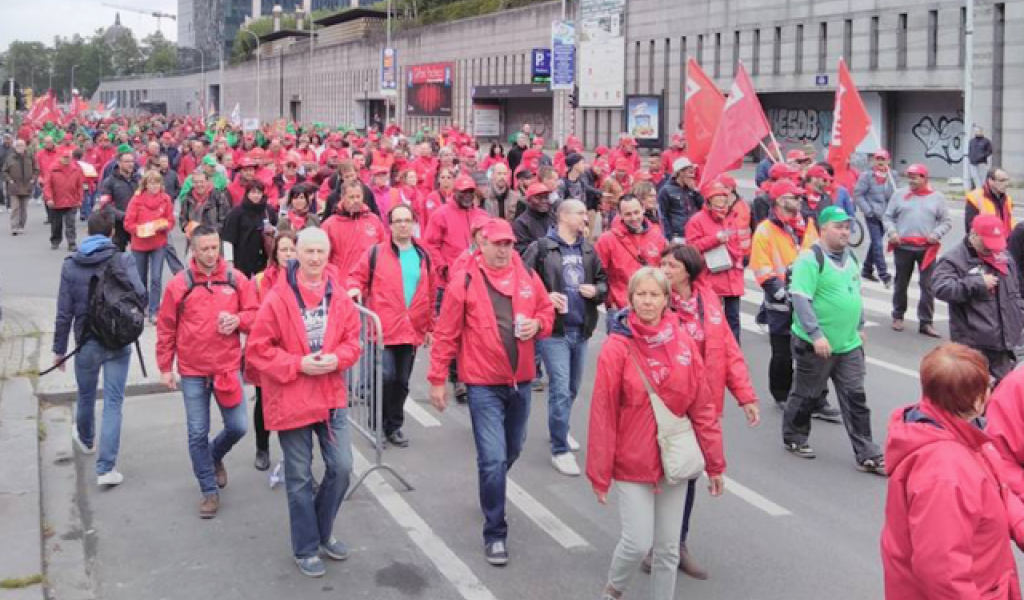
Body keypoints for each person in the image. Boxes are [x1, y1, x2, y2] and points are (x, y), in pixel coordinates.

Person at [588, 267, 725, 600]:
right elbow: (603, 412)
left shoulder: (684, 343)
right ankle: (613, 589)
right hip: (632, 460)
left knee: (667, 550)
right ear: (631, 298)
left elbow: (702, 406)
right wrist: (599, 473)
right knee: (637, 542)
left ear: (667, 300)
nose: (647, 301)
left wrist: (715, 464)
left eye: (654, 295)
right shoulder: (616, 348)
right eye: (641, 294)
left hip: (673, 461)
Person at [427, 219, 554, 566]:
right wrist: (437, 378)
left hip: (521, 380)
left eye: (508, 244)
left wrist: (539, 324)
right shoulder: (464, 280)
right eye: (496, 243)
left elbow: (546, 312)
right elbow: (446, 334)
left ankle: (490, 484)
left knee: (512, 449)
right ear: (481, 243)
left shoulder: (527, 275)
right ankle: (495, 532)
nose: (503, 250)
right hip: (482, 383)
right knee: (494, 458)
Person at [245, 227, 362, 578]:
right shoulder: (277, 299)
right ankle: (306, 546)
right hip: (292, 398)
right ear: (296, 253)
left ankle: (321, 531)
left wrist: (337, 359)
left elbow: (353, 342)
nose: (314, 259)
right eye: (308, 252)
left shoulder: (338, 296)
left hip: (329, 397)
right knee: (298, 477)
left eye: (320, 253)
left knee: (341, 468)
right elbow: (257, 351)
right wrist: (297, 364)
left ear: (328, 257)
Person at [649, 244, 758, 578]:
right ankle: (653, 541)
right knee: (658, 472)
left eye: (672, 265)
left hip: (701, 403)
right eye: (663, 263)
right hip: (662, 403)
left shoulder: (707, 301)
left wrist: (745, 396)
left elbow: (728, 350)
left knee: (687, 473)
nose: (665, 269)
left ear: (689, 271)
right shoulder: (653, 300)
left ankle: (676, 543)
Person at [882, 343, 1024, 599]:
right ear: (978, 400)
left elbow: (998, 493)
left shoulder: (959, 436)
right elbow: (943, 573)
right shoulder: (944, 472)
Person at [157, 225, 258, 518]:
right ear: (193, 249)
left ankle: (215, 456)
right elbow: (166, 328)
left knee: (238, 426)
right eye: (205, 249)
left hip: (227, 367)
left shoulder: (235, 279)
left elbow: (256, 315)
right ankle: (208, 491)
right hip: (192, 371)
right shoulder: (179, 284)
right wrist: (165, 367)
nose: (211, 254)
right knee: (197, 433)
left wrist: (238, 320)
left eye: (215, 247)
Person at [781, 206, 883, 470]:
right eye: (838, 226)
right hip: (816, 344)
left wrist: (859, 324)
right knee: (807, 394)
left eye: (847, 227)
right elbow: (801, 299)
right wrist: (816, 335)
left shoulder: (851, 259)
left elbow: (855, 292)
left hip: (848, 343)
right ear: (823, 229)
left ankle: (867, 452)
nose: (845, 232)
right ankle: (794, 436)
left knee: (855, 397)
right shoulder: (810, 259)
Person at [55, 210, 146, 487]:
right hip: (118, 339)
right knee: (113, 402)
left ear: (87, 232)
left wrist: (59, 349)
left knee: (85, 395)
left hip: (86, 341)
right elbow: (141, 294)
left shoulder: (71, 264)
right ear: (111, 234)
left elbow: (64, 312)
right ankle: (106, 468)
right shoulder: (123, 258)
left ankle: (86, 439)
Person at [522, 199, 607, 476]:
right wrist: (544, 297)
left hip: (580, 329)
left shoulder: (587, 249)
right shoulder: (542, 248)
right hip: (553, 331)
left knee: (571, 388)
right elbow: (521, 283)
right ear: (564, 216)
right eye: (581, 213)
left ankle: (561, 427)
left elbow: (604, 281)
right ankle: (559, 449)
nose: (586, 218)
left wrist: (596, 291)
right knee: (559, 388)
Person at [751, 181, 840, 425]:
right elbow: (761, 267)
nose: (799, 200)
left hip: (809, 300)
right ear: (779, 201)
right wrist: (784, 293)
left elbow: (819, 255)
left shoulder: (807, 225)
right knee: (781, 353)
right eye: (794, 197)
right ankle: (781, 394)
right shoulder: (765, 230)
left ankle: (819, 399)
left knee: (814, 353)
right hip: (781, 304)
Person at [348, 204, 437, 447]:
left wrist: (430, 327)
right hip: (383, 328)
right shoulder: (375, 253)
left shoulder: (423, 255)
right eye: (398, 220)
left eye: (407, 220)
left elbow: (429, 292)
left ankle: (393, 425)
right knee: (385, 376)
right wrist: (354, 287)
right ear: (390, 225)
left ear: (413, 223)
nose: (403, 225)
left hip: (411, 328)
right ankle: (377, 424)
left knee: (402, 381)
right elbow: (356, 276)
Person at [932, 215, 1023, 384]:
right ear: (973, 234)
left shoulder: (1004, 256)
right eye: (987, 244)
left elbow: (1015, 293)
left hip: (1005, 345)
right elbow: (940, 288)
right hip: (974, 346)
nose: (992, 250)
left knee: (1002, 398)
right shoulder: (954, 259)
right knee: (975, 398)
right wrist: (976, 283)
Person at [249, 229, 299, 471]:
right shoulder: (261, 279)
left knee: (294, 404)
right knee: (263, 401)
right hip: (268, 349)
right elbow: (254, 314)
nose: (288, 254)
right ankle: (262, 446)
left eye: (292, 249)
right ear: (275, 253)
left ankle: (295, 457)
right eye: (284, 250)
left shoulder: (305, 278)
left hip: (294, 350)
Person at [884, 163, 951, 338]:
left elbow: (946, 221)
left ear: (924, 178)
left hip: (926, 249)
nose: (911, 180)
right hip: (903, 247)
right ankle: (898, 316)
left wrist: (936, 233)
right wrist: (892, 232)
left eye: (915, 177)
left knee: (928, 286)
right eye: (909, 177)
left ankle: (926, 322)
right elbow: (888, 216)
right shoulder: (899, 195)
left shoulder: (937, 198)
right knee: (900, 283)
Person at [684, 180, 745, 342]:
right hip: (710, 278)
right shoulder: (697, 220)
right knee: (712, 321)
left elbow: (737, 244)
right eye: (717, 198)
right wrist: (715, 239)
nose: (721, 202)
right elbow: (691, 249)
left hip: (732, 277)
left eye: (724, 198)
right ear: (709, 200)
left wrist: (739, 260)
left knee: (733, 320)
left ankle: (733, 356)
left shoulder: (730, 218)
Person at [595, 195, 668, 316]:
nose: (634, 218)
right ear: (620, 214)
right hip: (620, 307)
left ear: (643, 209)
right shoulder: (607, 240)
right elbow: (598, 273)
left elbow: (665, 271)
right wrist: (609, 300)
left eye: (636, 212)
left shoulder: (657, 237)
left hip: (651, 306)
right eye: (628, 214)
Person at [124, 171, 175, 323]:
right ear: (145, 184)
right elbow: (128, 223)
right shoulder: (136, 199)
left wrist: (164, 226)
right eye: (151, 183)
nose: (154, 186)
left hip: (158, 243)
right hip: (139, 244)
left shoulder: (166, 199)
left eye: (157, 183)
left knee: (156, 278)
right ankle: (141, 308)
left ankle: (154, 311)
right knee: (139, 279)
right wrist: (140, 230)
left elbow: (170, 220)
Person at [322, 180, 388, 279]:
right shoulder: (329, 225)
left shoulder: (374, 220)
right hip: (342, 283)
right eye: (351, 197)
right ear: (342, 197)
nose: (356, 200)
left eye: (358, 196)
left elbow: (385, 249)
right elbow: (323, 258)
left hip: (371, 281)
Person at [853, 150, 896, 286]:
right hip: (872, 215)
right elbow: (858, 194)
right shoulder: (866, 176)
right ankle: (884, 275)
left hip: (886, 215)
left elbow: (895, 195)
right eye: (878, 159)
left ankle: (866, 269)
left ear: (888, 161)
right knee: (878, 243)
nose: (880, 162)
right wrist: (868, 211)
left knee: (875, 244)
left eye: (883, 159)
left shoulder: (892, 176)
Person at [220, 180, 278, 278]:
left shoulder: (268, 210)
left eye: (259, 193)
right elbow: (228, 238)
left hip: (264, 259)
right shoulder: (236, 213)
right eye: (253, 192)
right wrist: (229, 261)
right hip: (242, 259)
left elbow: (277, 230)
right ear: (247, 193)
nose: (256, 196)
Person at [97, 151, 141, 251]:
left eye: (132, 161)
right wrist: (122, 216)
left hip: (137, 222)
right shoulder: (109, 181)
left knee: (140, 256)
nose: (130, 164)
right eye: (127, 161)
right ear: (119, 163)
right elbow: (105, 205)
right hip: (119, 223)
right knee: (117, 254)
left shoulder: (139, 180)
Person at [43, 148, 84, 251]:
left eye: (68, 157)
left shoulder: (76, 169)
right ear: (60, 158)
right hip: (56, 201)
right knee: (56, 224)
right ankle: (55, 240)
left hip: (71, 201)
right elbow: (47, 185)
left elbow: (80, 186)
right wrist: (49, 198)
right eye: (65, 157)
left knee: (71, 224)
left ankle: (71, 243)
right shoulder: (53, 169)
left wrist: (80, 199)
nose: (67, 159)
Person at [657, 157, 703, 243]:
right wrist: (669, 237)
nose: (692, 176)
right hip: (677, 236)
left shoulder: (692, 189)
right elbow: (662, 215)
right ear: (680, 172)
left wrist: (696, 192)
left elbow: (703, 208)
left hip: (694, 234)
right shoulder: (665, 190)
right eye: (690, 172)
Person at [179, 170, 232, 237]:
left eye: (202, 182)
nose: (199, 185)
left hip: (214, 239)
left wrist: (209, 231)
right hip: (194, 239)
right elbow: (182, 218)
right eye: (196, 182)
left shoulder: (218, 196)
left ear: (208, 182)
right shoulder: (188, 198)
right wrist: (186, 227)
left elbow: (226, 220)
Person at [3, 139, 38, 235]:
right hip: (14, 186)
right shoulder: (10, 158)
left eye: (22, 145)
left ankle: (21, 225)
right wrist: (9, 180)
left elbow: (36, 169)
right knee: (15, 207)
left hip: (27, 186)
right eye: (18, 145)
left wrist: (33, 179)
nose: (20, 147)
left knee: (24, 208)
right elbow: (4, 171)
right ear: (15, 147)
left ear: (25, 146)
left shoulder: (30, 157)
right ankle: (14, 227)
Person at [965, 167, 1014, 234]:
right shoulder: (976, 197)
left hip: (1004, 240)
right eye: (1002, 180)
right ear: (990, 181)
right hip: (986, 241)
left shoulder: (1007, 200)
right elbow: (971, 228)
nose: (1006, 184)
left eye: (1007, 180)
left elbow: (1010, 224)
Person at [513, 182, 554, 255]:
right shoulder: (521, 223)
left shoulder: (554, 217)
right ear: (528, 200)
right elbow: (521, 251)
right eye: (538, 197)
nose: (544, 201)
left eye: (546, 197)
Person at [967, 125, 994, 190]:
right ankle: (979, 190)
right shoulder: (972, 141)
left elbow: (990, 151)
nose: (976, 132)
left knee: (982, 178)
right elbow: (970, 150)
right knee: (975, 177)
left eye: (978, 131)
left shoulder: (986, 141)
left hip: (982, 162)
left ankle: (982, 190)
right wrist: (970, 157)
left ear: (981, 131)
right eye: (975, 131)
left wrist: (983, 155)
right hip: (972, 162)